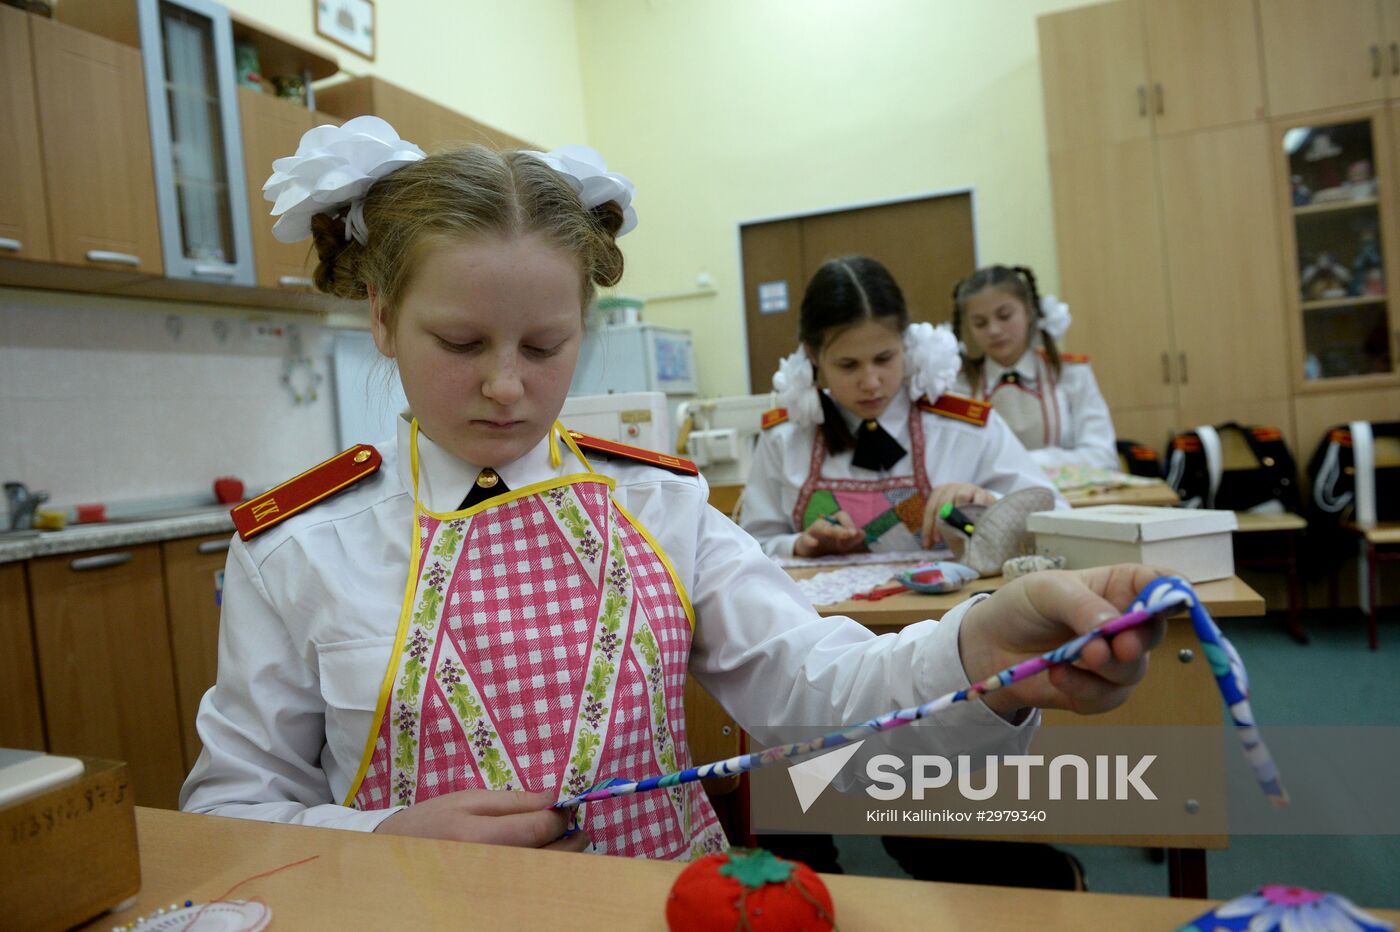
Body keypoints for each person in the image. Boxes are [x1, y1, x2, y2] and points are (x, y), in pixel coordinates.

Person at [181, 118, 1165, 863]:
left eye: (544, 344)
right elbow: (230, 806)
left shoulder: (655, 506)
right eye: (459, 342)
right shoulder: (296, 545)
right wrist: (382, 835)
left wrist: (981, 645)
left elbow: (814, 686)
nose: (506, 383)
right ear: (383, 318)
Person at [741, 256, 1065, 560]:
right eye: (848, 365)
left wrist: (987, 503)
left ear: (906, 344)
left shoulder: (965, 429)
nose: (871, 382)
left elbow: (1058, 519)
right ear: (813, 356)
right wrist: (797, 545)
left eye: (884, 358)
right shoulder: (786, 437)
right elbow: (748, 549)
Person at [951, 264, 1117, 471]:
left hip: (1070, 501)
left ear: (1029, 312)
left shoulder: (1070, 373)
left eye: (1004, 316)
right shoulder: (958, 386)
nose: (994, 330)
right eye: (980, 323)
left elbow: (1102, 455)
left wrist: (1026, 463)